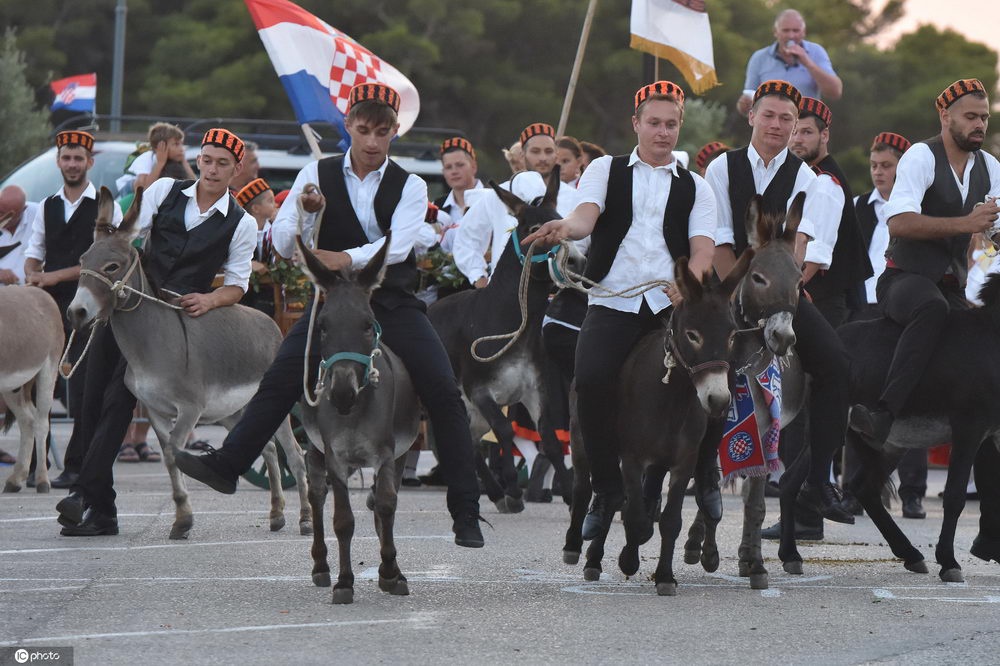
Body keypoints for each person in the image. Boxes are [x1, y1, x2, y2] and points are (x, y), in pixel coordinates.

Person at [170, 83, 486, 549]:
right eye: (364, 130)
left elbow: (399, 246)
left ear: (395, 130)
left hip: (392, 301)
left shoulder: (412, 184)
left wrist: (344, 258)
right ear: (349, 127)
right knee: (279, 377)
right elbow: (280, 243)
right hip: (333, 304)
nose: (373, 141)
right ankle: (228, 465)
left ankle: (466, 510)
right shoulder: (314, 173)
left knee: (443, 390)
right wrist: (301, 208)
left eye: (382, 131)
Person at [523, 81, 718, 539]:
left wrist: (686, 284)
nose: (663, 132)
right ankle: (607, 489)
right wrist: (564, 229)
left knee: (712, 376)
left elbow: (704, 250)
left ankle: (702, 475)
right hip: (612, 300)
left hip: (670, 307)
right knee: (589, 382)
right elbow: (584, 217)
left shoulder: (697, 187)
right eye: (654, 123)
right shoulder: (605, 171)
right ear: (636, 124)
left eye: (671, 124)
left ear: (679, 127)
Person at [56, 128, 258, 536]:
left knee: (117, 398)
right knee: (92, 398)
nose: (213, 169)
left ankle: (85, 495)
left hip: (174, 322)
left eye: (223, 163)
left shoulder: (242, 223)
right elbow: (129, 235)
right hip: (127, 307)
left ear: (237, 170)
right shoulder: (166, 189)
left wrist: (210, 299)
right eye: (207, 159)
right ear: (199, 160)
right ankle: (99, 504)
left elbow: (238, 284)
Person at [849, 79, 1000, 560]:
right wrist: (968, 224)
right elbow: (900, 223)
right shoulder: (918, 157)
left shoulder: (990, 166)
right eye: (970, 117)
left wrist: (989, 232)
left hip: (951, 285)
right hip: (905, 280)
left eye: (984, 117)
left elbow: (993, 231)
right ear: (946, 117)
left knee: (986, 386)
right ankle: (883, 412)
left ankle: (991, 534)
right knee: (932, 308)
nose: (979, 124)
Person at [705, 80, 855, 528]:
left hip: (783, 295)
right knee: (682, 356)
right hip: (729, 289)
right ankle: (685, 472)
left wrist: (778, 296)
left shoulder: (808, 178)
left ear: (795, 128)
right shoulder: (721, 168)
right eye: (768, 115)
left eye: (786, 119)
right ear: (750, 115)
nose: (777, 125)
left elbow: (801, 249)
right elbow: (717, 241)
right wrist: (738, 296)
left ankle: (817, 480)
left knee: (837, 366)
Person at [23, 131, 123, 490]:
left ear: (89, 163)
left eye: (78, 158)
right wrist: (33, 274)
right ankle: (36, 462)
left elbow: (109, 259)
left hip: (90, 307)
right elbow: (33, 251)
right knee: (38, 387)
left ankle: (79, 465)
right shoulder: (46, 205)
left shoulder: (105, 205)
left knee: (82, 389)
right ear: (58, 161)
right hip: (50, 306)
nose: (72, 164)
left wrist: (49, 276)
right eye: (66, 158)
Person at [453, 122, 580, 289]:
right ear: (522, 155)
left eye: (548, 151)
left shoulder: (573, 197)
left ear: (556, 155)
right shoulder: (499, 195)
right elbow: (466, 238)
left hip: (557, 296)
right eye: (535, 151)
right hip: (505, 293)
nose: (542, 157)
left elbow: (582, 243)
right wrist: (480, 278)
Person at [788, 97, 872, 326]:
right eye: (793, 131)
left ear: (824, 135)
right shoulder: (806, 176)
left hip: (824, 301)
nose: (797, 139)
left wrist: (783, 293)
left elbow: (816, 251)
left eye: (806, 132)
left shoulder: (824, 181)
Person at [736, 9, 842, 116]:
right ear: (775, 32)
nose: (791, 36)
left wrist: (808, 63)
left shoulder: (816, 52)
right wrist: (744, 104)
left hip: (803, 126)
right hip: (772, 126)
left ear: (804, 32)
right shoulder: (759, 57)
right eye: (786, 31)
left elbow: (835, 92)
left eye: (796, 31)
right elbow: (749, 99)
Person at [434, 137, 483, 254]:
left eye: (460, 165)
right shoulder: (436, 207)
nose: (454, 171)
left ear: (474, 167)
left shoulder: (493, 199)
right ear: (443, 172)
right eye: (448, 167)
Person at [129, 122, 197, 191]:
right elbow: (142, 190)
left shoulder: (174, 161)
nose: (181, 149)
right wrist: (160, 163)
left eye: (181, 144)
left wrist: (184, 161)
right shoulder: (146, 158)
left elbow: (194, 184)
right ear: (160, 146)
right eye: (176, 144)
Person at [0, 185, 38, 286]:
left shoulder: (39, 213)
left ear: (24, 209)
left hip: (32, 293)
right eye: (1, 212)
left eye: (9, 215)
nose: (3, 218)